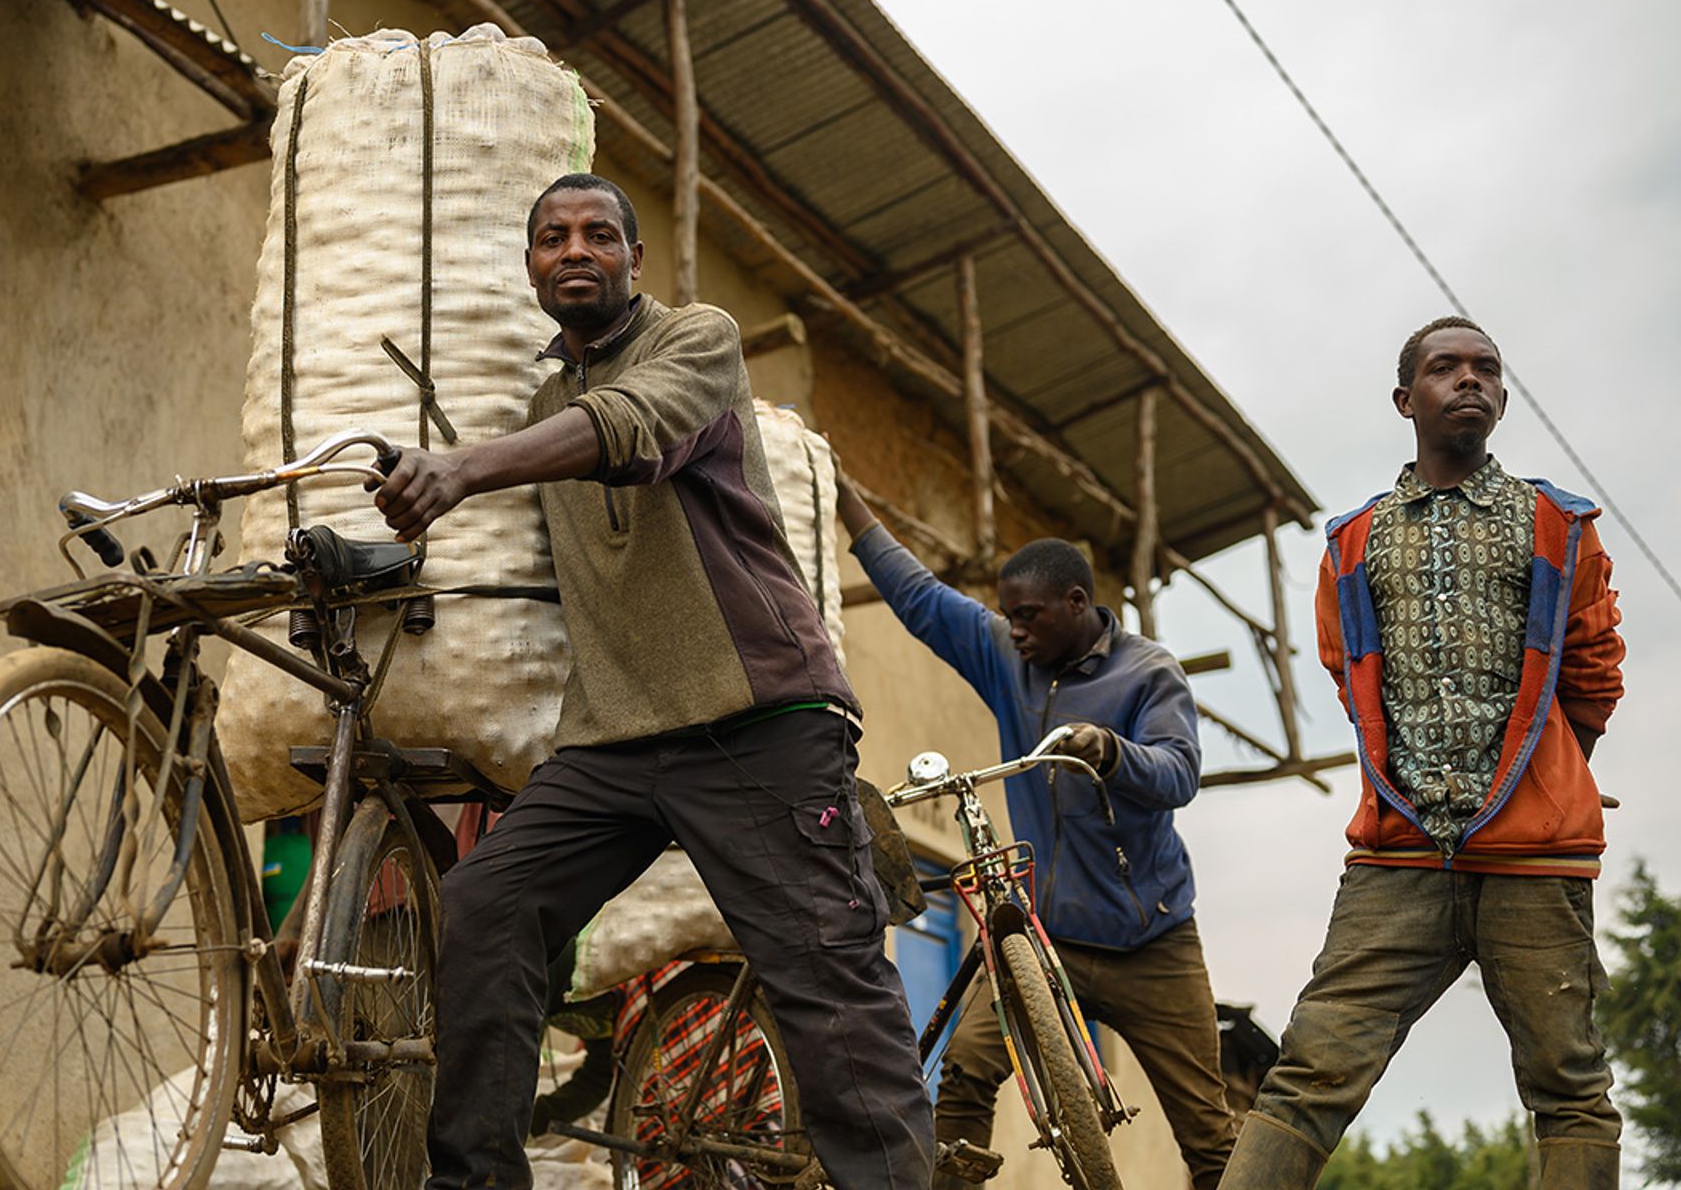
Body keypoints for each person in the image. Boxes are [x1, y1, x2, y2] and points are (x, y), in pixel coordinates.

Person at [372, 172, 934, 1190]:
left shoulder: (699, 340)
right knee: (488, 902)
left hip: (760, 721)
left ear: (635, 261)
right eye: (552, 237)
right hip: (615, 744)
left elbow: (631, 428)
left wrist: (459, 468)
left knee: (826, 985)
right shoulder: (547, 401)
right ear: (532, 267)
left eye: (598, 234)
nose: (574, 248)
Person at [1219, 317, 1626, 1188]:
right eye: (1447, 368)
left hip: (1533, 863)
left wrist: (1556, 772)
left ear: (1504, 399)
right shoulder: (1355, 542)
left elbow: (1593, 668)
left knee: (1570, 1088)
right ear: (1408, 399)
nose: (1469, 380)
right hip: (1396, 860)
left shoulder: (1559, 523)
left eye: (1486, 369)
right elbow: (1349, 672)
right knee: (1307, 1078)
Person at [837, 481, 1239, 1189]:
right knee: (965, 1068)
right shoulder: (1008, 659)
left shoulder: (1148, 674)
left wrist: (1111, 751)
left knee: (1209, 1134)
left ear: (1077, 605)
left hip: (1154, 943)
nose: (1015, 630)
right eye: (1008, 617)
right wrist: (845, 500)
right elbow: (922, 598)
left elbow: (1179, 773)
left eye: (1028, 616)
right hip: (1041, 942)